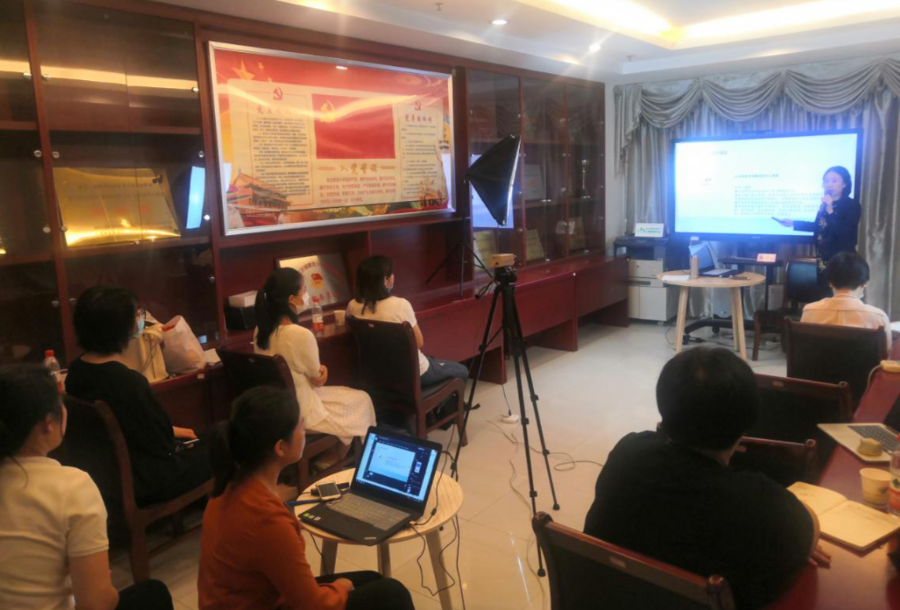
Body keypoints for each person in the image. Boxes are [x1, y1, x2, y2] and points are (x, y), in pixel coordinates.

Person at [584, 348, 830, 609]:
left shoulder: (628, 452)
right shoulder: (761, 506)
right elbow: (809, 530)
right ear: (748, 422)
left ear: (664, 406)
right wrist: (794, 524)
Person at [198, 385, 415, 610]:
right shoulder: (267, 520)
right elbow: (313, 605)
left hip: (249, 598)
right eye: (302, 426)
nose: (305, 432)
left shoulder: (227, 485)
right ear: (280, 447)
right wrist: (339, 588)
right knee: (392, 593)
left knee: (372, 580)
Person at [0, 363, 175, 610]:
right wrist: (102, 585)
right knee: (152, 594)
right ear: (48, 423)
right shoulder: (72, 487)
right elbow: (96, 604)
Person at [65, 285, 211, 507]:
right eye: (136, 315)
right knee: (221, 442)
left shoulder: (76, 371)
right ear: (119, 327)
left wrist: (171, 430)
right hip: (146, 481)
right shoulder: (128, 383)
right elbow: (162, 445)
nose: (139, 319)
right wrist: (171, 433)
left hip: (105, 478)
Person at [254, 268, 375, 465]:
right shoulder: (300, 334)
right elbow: (317, 379)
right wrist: (323, 371)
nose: (307, 295)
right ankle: (333, 460)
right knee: (362, 399)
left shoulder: (260, 330)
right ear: (292, 299)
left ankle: (327, 458)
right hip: (303, 410)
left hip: (276, 408)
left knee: (351, 398)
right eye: (304, 290)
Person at [346, 255, 469, 387]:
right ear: (385, 280)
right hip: (413, 373)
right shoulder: (400, 305)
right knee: (462, 371)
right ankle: (435, 400)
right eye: (391, 274)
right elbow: (419, 342)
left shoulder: (352, 306)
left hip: (377, 374)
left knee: (432, 360)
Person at [775, 166, 862, 298]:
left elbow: (843, 231)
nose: (829, 184)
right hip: (823, 258)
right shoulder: (825, 205)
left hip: (842, 260)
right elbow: (819, 226)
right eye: (826, 181)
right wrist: (793, 223)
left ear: (844, 184)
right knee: (824, 296)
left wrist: (830, 209)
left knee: (840, 298)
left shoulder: (852, 205)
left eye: (834, 180)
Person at [801, 252, 892, 351]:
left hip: (819, 361)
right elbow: (886, 355)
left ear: (830, 282)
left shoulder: (809, 312)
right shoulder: (879, 317)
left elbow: (803, 349)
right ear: (864, 283)